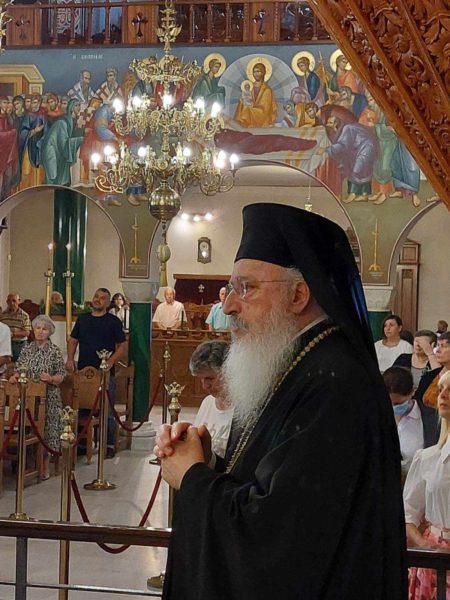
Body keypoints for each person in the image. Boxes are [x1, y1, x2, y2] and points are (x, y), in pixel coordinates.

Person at [154, 203, 406, 599]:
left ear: (299, 295)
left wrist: (192, 478)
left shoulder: (335, 382)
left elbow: (278, 538)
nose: (229, 305)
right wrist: (208, 462)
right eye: (231, 288)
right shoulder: (290, 363)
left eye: (247, 288)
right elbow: (273, 481)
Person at [403, 370, 450, 598]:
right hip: (434, 562)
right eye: (441, 389)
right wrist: (424, 544)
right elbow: (408, 513)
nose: (443, 395)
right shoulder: (428, 458)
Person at [66, 288, 127, 458]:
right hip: (83, 371)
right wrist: (70, 359)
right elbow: (73, 340)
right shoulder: (83, 319)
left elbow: (122, 345)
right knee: (82, 407)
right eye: (96, 296)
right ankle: (82, 443)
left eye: (102, 298)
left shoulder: (113, 321)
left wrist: (111, 361)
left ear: (108, 303)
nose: (98, 300)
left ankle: (108, 444)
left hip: (105, 373)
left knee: (107, 409)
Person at [10, 315, 65, 479]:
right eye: (38, 328)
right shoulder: (27, 349)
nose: (40, 332)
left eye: (44, 329)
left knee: (47, 429)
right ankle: (27, 464)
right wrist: (15, 376)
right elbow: (19, 369)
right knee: (27, 427)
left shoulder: (54, 351)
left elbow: (62, 375)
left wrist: (51, 378)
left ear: (49, 332)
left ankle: (44, 465)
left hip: (49, 398)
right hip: (28, 397)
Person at [383, 366, 440, 479]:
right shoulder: (375, 417)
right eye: (388, 403)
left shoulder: (433, 420)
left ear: (412, 392)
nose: (393, 407)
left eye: (398, 404)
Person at [190, 341, 233, 458]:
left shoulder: (243, 411)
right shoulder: (208, 402)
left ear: (228, 372)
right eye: (202, 379)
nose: (205, 386)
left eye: (209, 378)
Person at [234, 62, 277, 128]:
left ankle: (245, 123)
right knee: (242, 105)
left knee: (246, 109)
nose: (256, 74)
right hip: (252, 111)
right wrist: (242, 101)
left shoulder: (267, 90)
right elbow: (247, 99)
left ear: (263, 72)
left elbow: (265, 109)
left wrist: (250, 107)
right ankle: (241, 125)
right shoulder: (250, 87)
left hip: (262, 115)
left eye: (258, 71)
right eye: (254, 72)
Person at [414, 331, 450, 409]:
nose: (437, 350)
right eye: (438, 345)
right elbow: (417, 400)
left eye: (444, 346)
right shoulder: (430, 375)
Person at [0, 293, 32, 361]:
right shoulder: (2, 315)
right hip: (6, 345)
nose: (11, 303)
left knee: (20, 364)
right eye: (9, 301)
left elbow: (27, 332)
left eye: (14, 301)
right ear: (7, 302)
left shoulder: (25, 315)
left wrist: (13, 334)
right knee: (6, 364)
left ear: (19, 301)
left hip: (20, 345)